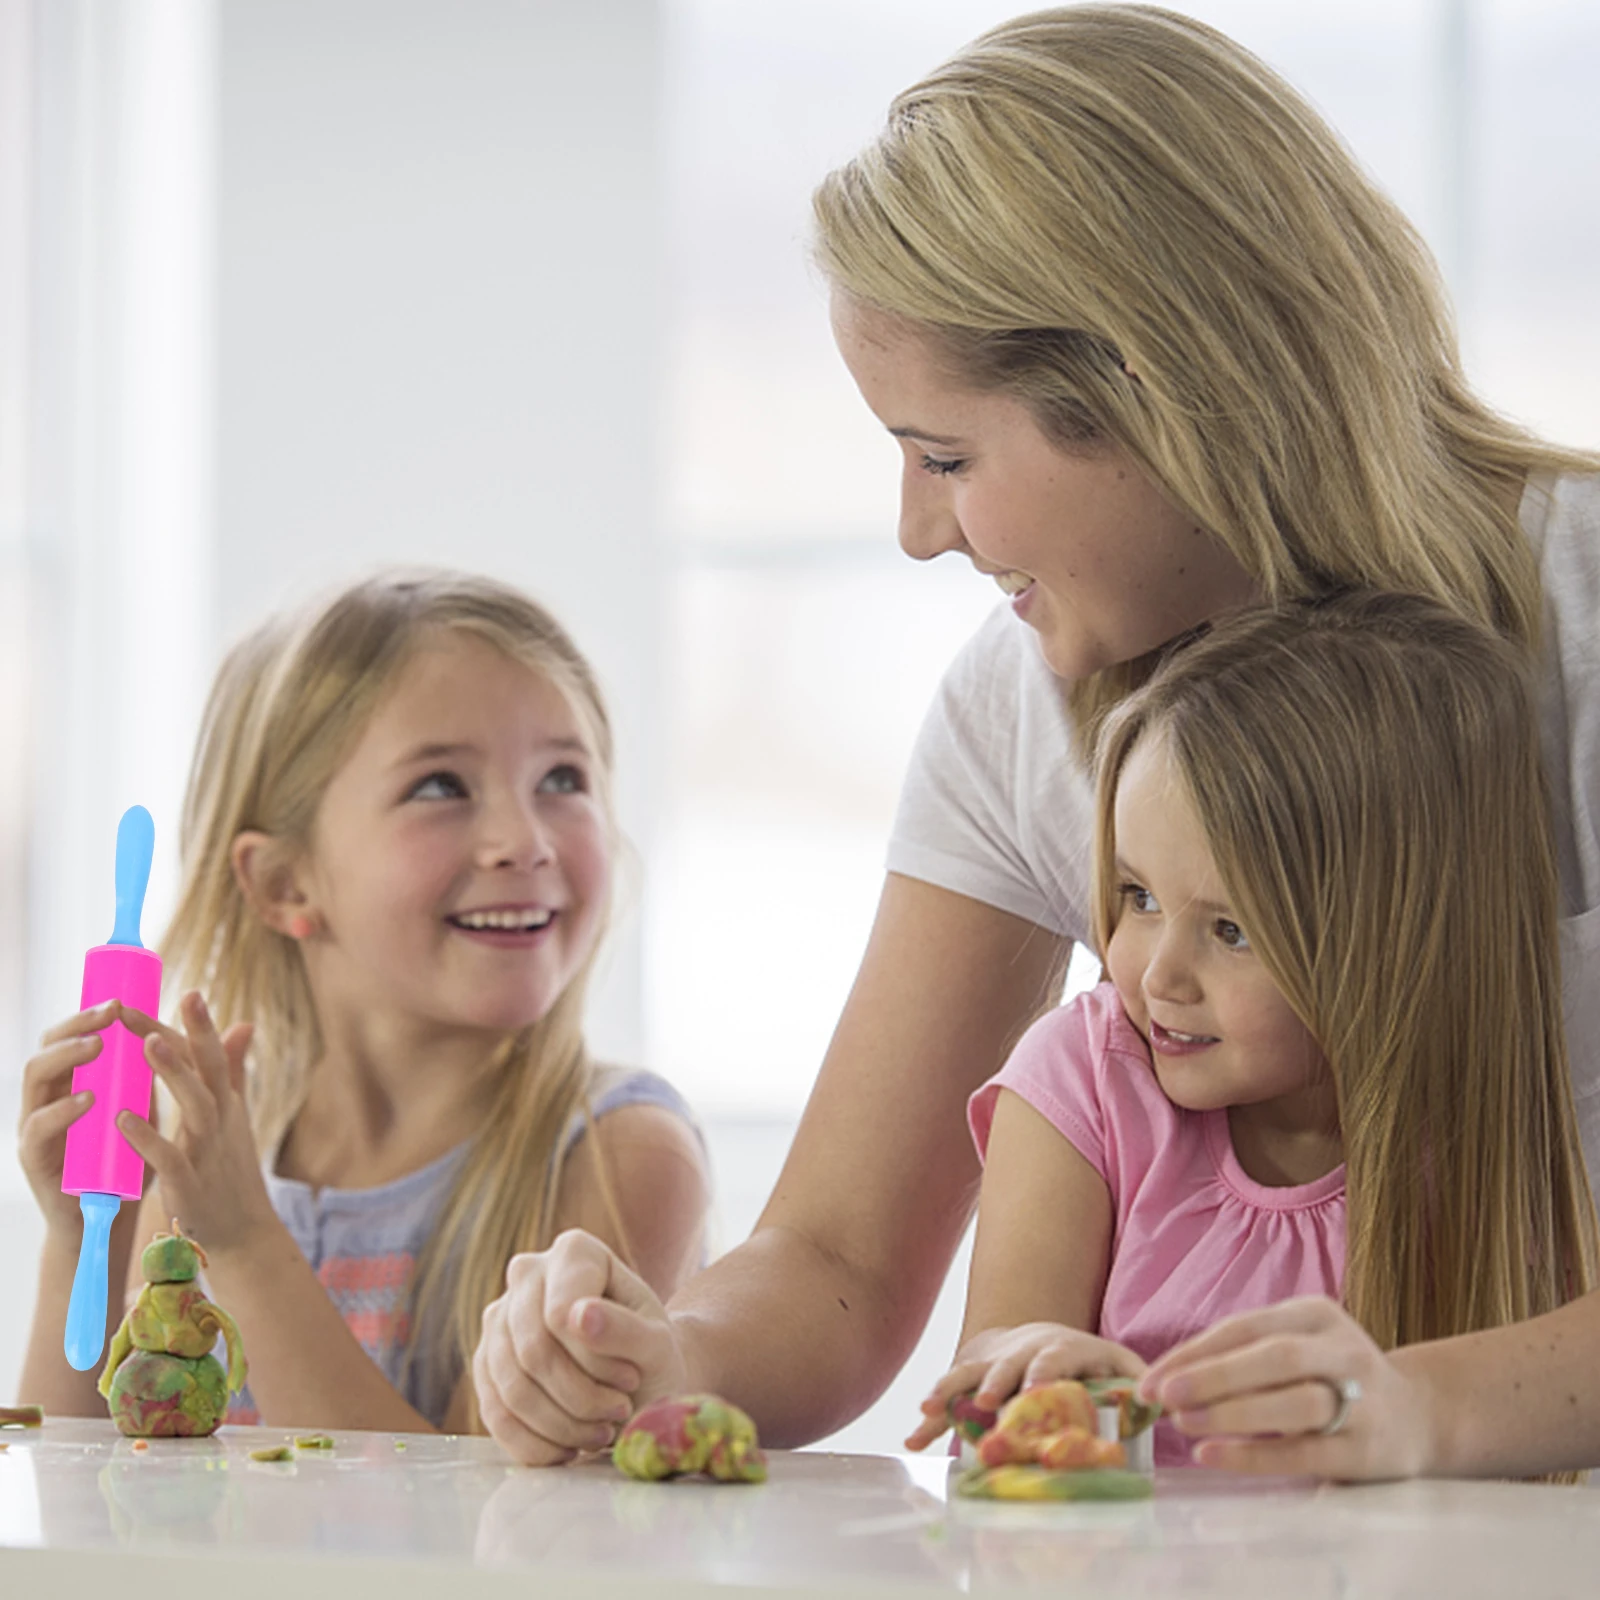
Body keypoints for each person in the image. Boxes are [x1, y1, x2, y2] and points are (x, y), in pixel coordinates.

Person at [471, 6, 1600, 1477]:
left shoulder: (1580, 611)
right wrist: (658, 1356)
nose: (917, 528)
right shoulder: (1018, 707)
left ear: (1154, 389)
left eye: (945, 456)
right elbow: (838, 1260)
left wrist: (1420, 1409)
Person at [904, 592, 1597, 1470]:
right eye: (1138, 897)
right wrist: (1035, 1364)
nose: (1158, 975)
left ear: (1395, 944)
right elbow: (994, 1360)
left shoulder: (1504, 1127)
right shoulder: (1086, 1081)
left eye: (1232, 930)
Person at [17, 570, 709, 1432]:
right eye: (441, 786)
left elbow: (473, 1509)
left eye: (563, 778)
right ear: (284, 883)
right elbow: (75, 1481)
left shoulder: (620, 1158)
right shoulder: (215, 1164)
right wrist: (89, 1237)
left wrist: (245, 1244)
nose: (524, 841)